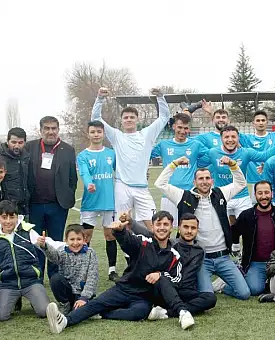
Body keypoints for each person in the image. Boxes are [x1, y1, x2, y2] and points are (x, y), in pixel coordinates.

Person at [46, 211, 198, 332]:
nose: (162, 227)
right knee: (97, 303)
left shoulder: (174, 255)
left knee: (138, 313)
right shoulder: (143, 242)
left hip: (144, 297)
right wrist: (120, 232)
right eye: (158, 224)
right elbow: (128, 242)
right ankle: (65, 321)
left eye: (166, 224)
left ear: (172, 228)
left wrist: (161, 274)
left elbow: (176, 279)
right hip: (124, 288)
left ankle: (102, 314)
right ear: (152, 227)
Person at [155, 155, 251, 300]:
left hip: (223, 257)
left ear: (212, 181)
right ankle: (206, 284)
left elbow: (241, 183)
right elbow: (160, 184)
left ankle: (222, 284)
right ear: (194, 181)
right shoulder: (184, 196)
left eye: (207, 178)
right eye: (201, 179)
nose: (204, 182)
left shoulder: (220, 193)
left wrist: (232, 165)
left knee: (244, 293)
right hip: (200, 259)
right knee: (206, 295)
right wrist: (174, 164)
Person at [91, 87, 169, 231]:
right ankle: (129, 254)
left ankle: (155, 252)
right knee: (123, 226)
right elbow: (96, 119)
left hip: (142, 188)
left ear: (137, 119)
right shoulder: (116, 136)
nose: (129, 120)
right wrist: (100, 99)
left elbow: (164, 117)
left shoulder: (147, 134)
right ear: (121, 121)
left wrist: (160, 97)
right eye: (126, 117)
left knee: (153, 226)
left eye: (132, 117)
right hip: (122, 187)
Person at [126, 212, 218, 321]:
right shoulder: (171, 243)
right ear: (179, 228)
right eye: (185, 227)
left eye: (193, 228)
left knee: (210, 298)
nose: (189, 231)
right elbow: (148, 234)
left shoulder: (201, 249)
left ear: (197, 230)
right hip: (168, 289)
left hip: (187, 291)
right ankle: (184, 308)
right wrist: (131, 222)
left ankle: (166, 313)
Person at [0, 200, 62, 321]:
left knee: (44, 311)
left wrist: (67, 245)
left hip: (31, 281)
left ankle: (36, 298)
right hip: (8, 284)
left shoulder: (27, 231)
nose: (8, 221)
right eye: (4, 217)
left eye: (12, 217)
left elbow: (46, 241)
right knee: (0, 316)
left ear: (17, 217)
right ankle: (14, 300)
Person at [26, 116, 78, 281]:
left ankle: (55, 277)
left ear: (58, 129)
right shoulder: (30, 147)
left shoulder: (68, 150)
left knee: (55, 243)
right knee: (36, 242)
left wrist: (67, 195)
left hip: (57, 206)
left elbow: (72, 178)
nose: (50, 131)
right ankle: (37, 277)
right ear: (40, 130)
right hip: (34, 205)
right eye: (47, 128)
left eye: (53, 128)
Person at [207, 125, 275, 229]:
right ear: (221, 139)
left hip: (242, 197)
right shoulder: (213, 153)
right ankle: (231, 246)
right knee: (220, 230)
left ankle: (241, 245)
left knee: (250, 227)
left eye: (233, 137)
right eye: (226, 137)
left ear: (238, 138)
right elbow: (199, 161)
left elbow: (265, 155)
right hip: (221, 196)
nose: (230, 140)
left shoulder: (246, 152)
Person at [150, 112, 210, 224]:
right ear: (173, 127)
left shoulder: (196, 145)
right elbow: (145, 156)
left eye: (186, 128)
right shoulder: (164, 145)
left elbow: (210, 156)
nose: (182, 131)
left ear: (189, 129)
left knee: (189, 227)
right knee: (166, 228)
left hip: (189, 194)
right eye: (180, 127)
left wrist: (199, 164)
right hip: (168, 194)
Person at [76, 121, 118, 281]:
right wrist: (89, 184)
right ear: (88, 134)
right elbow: (85, 173)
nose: (96, 134)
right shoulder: (83, 156)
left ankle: (112, 270)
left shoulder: (111, 154)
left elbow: (120, 171)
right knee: (86, 237)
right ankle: (85, 269)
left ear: (103, 133)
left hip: (108, 202)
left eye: (99, 132)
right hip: (90, 203)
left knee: (110, 235)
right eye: (93, 132)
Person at [36, 224, 99, 315]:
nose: (75, 243)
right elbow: (53, 257)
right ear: (66, 240)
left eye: (79, 239)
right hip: (68, 291)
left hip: (82, 293)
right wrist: (44, 246)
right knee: (55, 278)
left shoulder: (90, 253)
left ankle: (81, 305)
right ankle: (65, 304)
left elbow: (92, 277)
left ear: (84, 240)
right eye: (72, 239)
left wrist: (84, 297)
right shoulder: (63, 252)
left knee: (81, 312)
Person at [239, 110, 275, 200]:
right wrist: (212, 114)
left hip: (273, 182)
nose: (260, 123)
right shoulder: (247, 139)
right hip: (253, 182)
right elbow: (227, 132)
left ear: (267, 122)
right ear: (253, 123)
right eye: (258, 120)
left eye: (263, 120)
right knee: (255, 211)